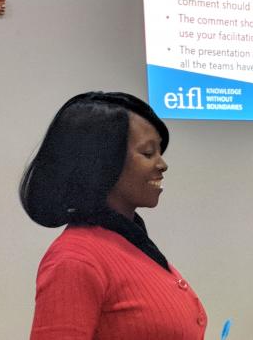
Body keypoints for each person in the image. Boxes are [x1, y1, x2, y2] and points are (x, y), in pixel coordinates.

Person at [20, 92, 207, 339]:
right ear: (102, 162)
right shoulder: (75, 260)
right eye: (148, 153)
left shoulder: (131, 244)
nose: (162, 165)